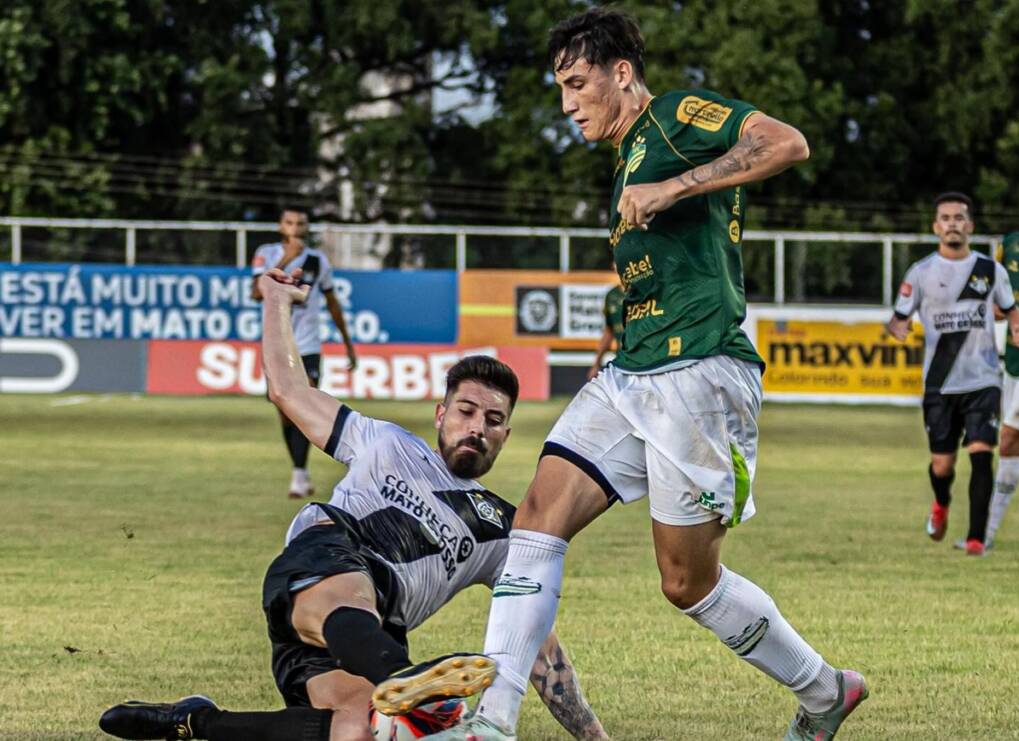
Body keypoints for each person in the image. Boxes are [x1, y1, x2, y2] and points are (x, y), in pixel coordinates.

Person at [382, 8, 867, 740]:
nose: (568, 103)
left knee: (688, 584)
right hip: (635, 370)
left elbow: (785, 142)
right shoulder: (626, 157)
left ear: (621, 73)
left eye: (577, 83)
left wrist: (676, 188)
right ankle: (491, 723)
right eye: (560, 89)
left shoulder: (675, 117)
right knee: (537, 517)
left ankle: (826, 690)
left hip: (700, 373)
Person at [98, 268, 608, 741]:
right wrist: (276, 300)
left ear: (507, 435)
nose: (477, 427)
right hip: (327, 559)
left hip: (375, 631)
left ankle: (193, 721)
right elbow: (288, 389)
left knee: (359, 729)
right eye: (466, 411)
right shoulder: (382, 441)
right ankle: (404, 683)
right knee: (358, 595)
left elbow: (539, 646)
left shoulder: (503, 531)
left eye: (493, 421)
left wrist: (594, 737)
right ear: (439, 414)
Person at [888, 194, 1019, 556]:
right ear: (936, 227)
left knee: (982, 453)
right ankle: (941, 503)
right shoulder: (921, 272)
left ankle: (977, 538)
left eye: (959, 218)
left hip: (983, 379)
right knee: (942, 465)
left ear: (970, 226)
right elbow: (897, 318)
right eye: (945, 218)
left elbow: (1011, 310)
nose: (952, 223)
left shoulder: (990, 270)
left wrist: (1017, 326)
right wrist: (897, 327)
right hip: (940, 383)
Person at [251, 205, 358, 499]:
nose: (296, 228)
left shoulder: (318, 260)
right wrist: (287, 259)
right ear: (280, 226)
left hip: (307, 345)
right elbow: (256, 292)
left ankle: (299, 475)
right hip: (276, 345)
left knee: (305, 402)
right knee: (285, 410)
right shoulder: (267, 253)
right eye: (290, 223)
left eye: (301, 223)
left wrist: (348, 344)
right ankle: (300, 470)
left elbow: (332, 302)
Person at [959, 229, 1019, 550]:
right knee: (1012, 446)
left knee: (1010, 438)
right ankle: (986, 535)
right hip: (1015, 362)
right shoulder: (1011, 245)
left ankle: (984, 535)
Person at [586, 264, 624, 381]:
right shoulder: (611, 295)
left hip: (645, 361)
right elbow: (609, 331)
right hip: (622, 362)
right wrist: (596, 364)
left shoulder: (643, 293)